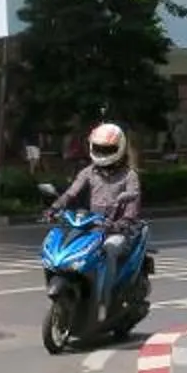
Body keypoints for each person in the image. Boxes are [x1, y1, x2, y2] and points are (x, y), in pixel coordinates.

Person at [46, 120, 144, 283]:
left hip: (117, 229)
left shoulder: (129, 176)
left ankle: (106, 301)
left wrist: (124, 221)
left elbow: (133, 200)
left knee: (110, 248)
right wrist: (54, 207)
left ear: (119, 148)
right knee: (66, 245)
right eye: (99, 148)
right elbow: (71, 193)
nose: (103, 153)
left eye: (108, 149)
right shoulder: (88, 172)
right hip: (92, 227)